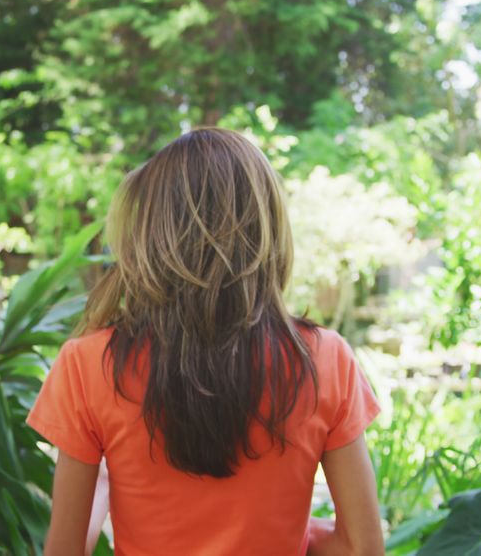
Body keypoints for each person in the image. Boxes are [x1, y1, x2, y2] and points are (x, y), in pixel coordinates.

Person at [27, 127, 384, 555]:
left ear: (152, 233)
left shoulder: (89, 364)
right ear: (267, 229)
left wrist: (108, 493)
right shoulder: (325, 359)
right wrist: (297, 530)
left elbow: (65, 550)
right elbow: (362, 549)